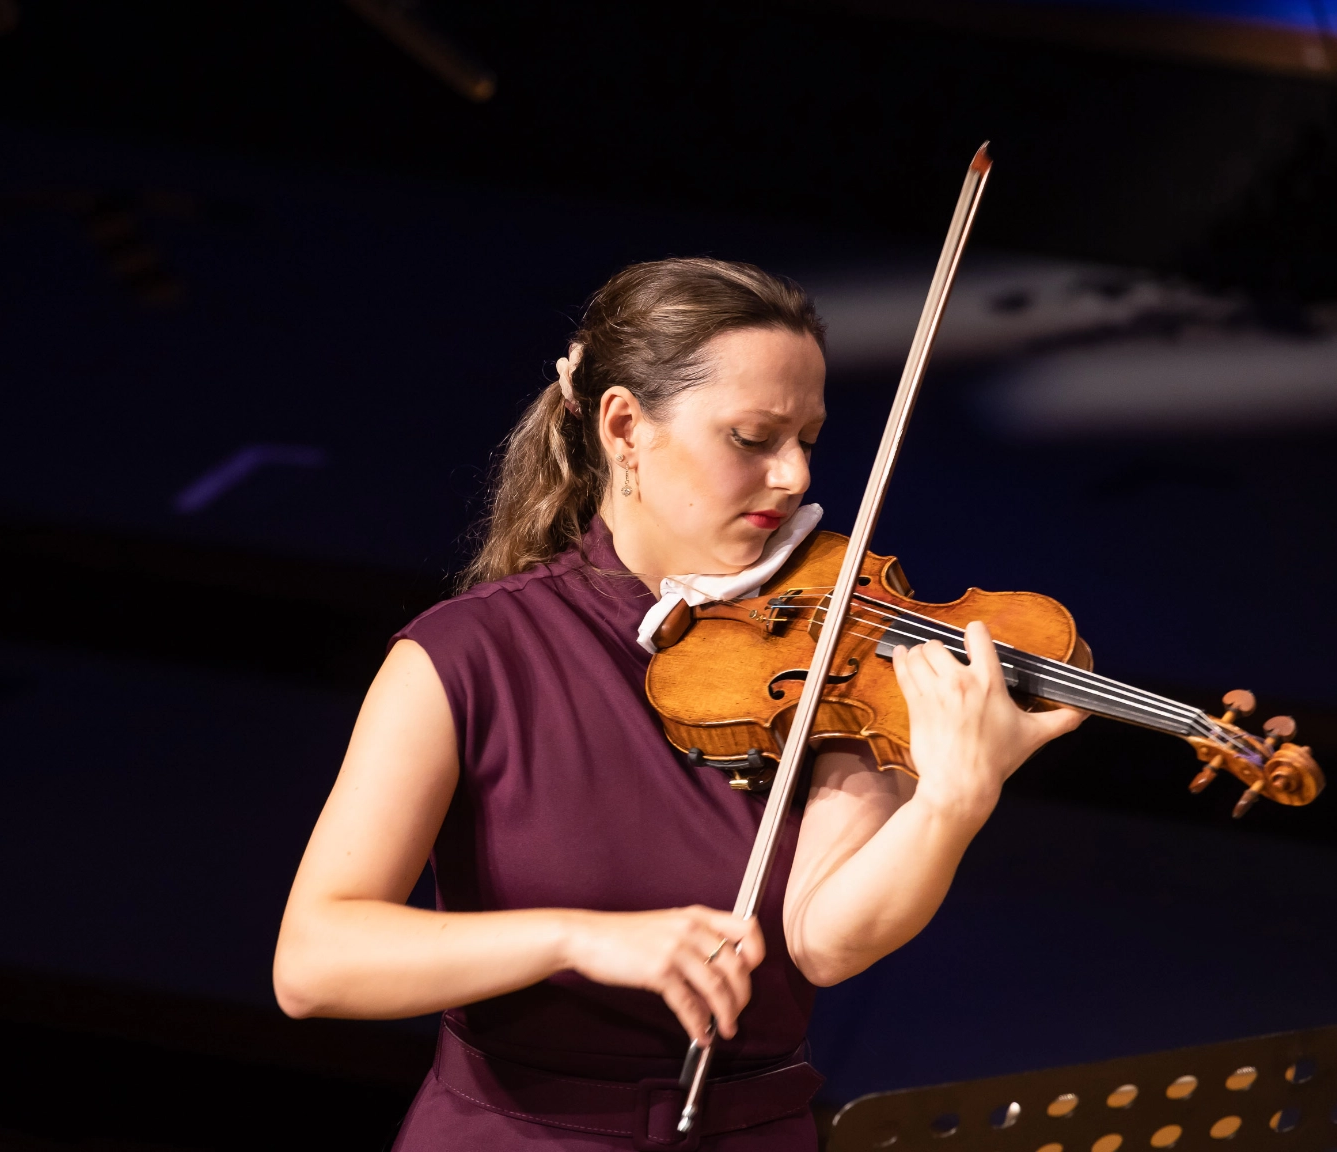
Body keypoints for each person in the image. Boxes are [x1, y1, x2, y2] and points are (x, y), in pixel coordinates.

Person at [272, 258, 1085, 1150]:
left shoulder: (831, 658)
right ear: (625, 426)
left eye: (808, 438)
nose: (793, 477)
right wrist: (575, 939)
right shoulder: (469, 654)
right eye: (752, 436)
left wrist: (954, 800)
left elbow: (825, 942)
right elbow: (316, 963)